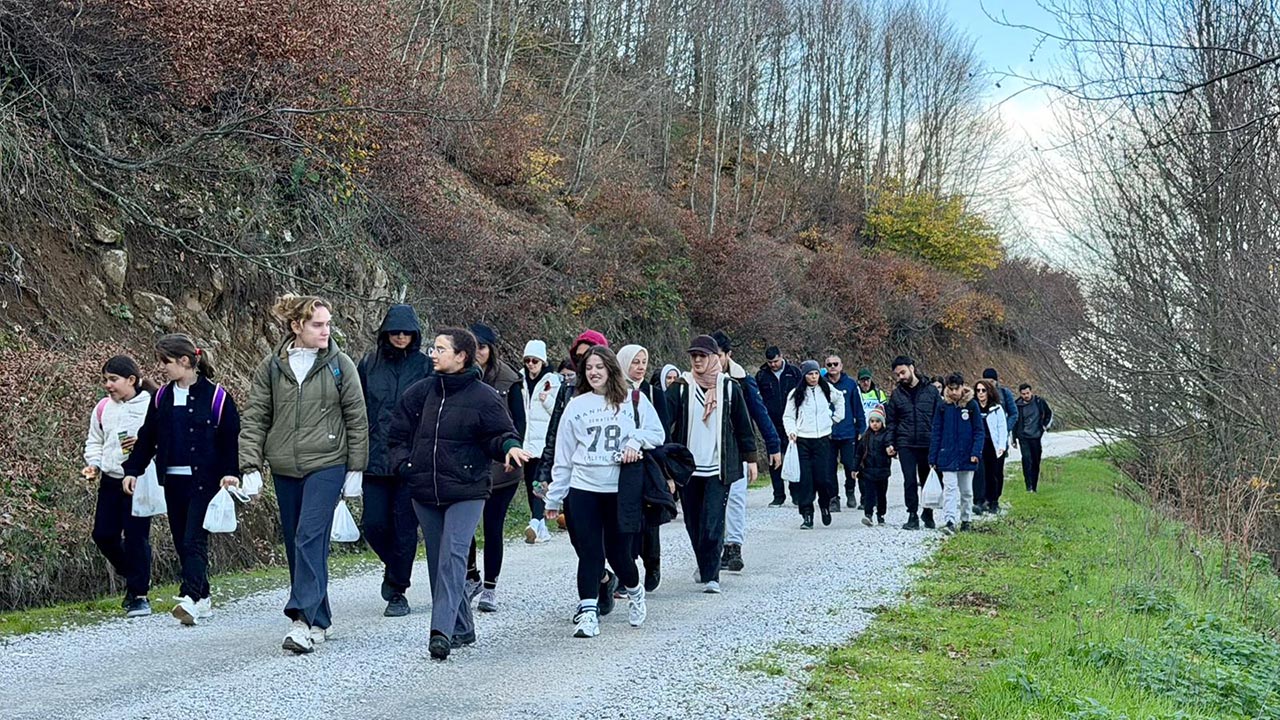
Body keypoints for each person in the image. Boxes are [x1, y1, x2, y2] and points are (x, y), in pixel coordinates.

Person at [388, 327, 531, 660]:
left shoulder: (484, 396)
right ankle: (463, 627)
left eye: (440, 349)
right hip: (425, 489)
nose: (433, 354)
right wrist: (404, 466)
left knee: (453, 556)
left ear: (461, 356)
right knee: (440, 560)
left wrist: (510, 448)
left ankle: (441, 631)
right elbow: (396, 435)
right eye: (433, 349)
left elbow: (502, 433)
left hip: (468, 490)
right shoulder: (418, 393)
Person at [239, 295, 368, 654]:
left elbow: (357, 419)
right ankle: (321, 618)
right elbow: (255, 418)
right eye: (317, 324)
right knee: (298, 545)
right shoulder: (271, 367)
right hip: (284, 465)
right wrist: (250, 465)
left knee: (309, 536)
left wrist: (356, 469)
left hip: (328, 462)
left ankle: (300, 620)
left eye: (328, 324)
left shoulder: (340, 365)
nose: (326, 331)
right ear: (296, 326)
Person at [544, 347, 666, 638]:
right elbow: (563, 456)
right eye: (588, 368)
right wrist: (554, 497)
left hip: (620, 490)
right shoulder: (576, 405)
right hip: (583, 488)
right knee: (589, 553)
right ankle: (588, 612)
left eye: (600, 366)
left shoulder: (632, 400)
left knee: (619, 554)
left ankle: (635, 592)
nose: (594, 372)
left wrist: (635, 441)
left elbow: (657, 434)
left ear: (611, 369)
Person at [123, 335, 241, 626]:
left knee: (193, 539)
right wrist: (133, 469)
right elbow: (148, 437)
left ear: (185, 361)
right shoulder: (161, 397)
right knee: (180, 540)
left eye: (165, 361)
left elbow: (230, 440)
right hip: (172, 482)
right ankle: (203, 597)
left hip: (206, 482)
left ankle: (189, 597)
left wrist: (232, 473)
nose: (161, 368)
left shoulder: (217, 397)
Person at [666, 335, 757, 593]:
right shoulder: (681, 388)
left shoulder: (729, 388)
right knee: (693, 522)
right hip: (689, 469)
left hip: (718, 467)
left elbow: (742, 426)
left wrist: (750, 460)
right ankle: (705, 562)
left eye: (702, 356)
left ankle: (712, 574)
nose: (697, 360)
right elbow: (664, 423)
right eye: (693, 356)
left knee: (712, 521)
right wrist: (666, 462)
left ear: (714, 358)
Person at [356, 303, 428, 618]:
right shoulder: (368, 365)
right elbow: (355, 407)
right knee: (372, 523)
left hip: (411, 458)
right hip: (374, 457)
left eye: (406, 332)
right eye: (395, 331)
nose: (400, 337)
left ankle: (398, 589)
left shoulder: (426, 366)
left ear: (415, 334)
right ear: (386, 333)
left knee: (405, 527)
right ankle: (395, 566)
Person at [84, 355, 159, 618]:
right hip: (111, 479)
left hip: (140, 480)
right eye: (105, 379)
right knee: (103, 534)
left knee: (137, 537)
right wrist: (94, 464)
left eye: (113, 379)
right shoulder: (104, 407)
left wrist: (142, 466)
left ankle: (139, 595)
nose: (108, 385)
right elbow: (95, 439)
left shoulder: (152, 405)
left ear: (132, 380)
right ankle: (135, 574)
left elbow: (161, 443)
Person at [465, 322, 527, 614]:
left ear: (491, 349)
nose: (477, 353)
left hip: (503, 465)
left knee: (493, 526)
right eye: (473, 346)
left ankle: (490, 586)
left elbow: (520, 422)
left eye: (483, 347)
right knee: (463, 527)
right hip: (467, 464)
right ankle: (471, 576)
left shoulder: (509, 379)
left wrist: (513, 450)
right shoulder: (458, 375)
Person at [710, 331, 780, 573]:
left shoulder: (742, 380)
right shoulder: (698, 381)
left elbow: (759, 413)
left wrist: (773, 445)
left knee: (736, 499)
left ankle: (733, 546)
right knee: (713, 502)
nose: (713, 361)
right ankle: (713, 547)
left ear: (728, 355)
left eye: (717, 355)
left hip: (737, 448)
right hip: (708, 450)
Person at [616, 344, 670, 587]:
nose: (640, 367)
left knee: (649, 518)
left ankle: (652, 562)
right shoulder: (611, 393)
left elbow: (662, 433)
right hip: (617, 467)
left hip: (646, 464)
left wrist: (667, 474)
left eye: (643, 362)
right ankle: (624, 568)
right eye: (635, 362)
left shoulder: (651, 393)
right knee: (623, 519)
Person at [782, 360, 845, 529]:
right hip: (803, 439)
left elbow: (840, 400)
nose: (814, 377)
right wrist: (792, 431)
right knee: (806, 481)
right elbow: (788, 416)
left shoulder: (826, 389)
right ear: (804, 376)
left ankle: (824, 506)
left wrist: (835, 419)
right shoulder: (796, 394)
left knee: (823, 478)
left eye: (816, 373)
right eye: (810, 374)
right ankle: (807, 514)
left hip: (823, 439)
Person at [884, 356, 942, 530]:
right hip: (906, 443)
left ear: (912, 368)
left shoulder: (931, 391)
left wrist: (939, 443)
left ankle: (928, 512)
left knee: (927, 479)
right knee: (909, 480)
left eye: (902, 372)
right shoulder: (896, 395)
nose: (900, 377)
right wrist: (890, 442)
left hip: (927, 442)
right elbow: (891, 421)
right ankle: (912, 515)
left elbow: (939, 418)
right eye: (897, 374)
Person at [929, 373, 985, 536]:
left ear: (962, 387)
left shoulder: (972, 405)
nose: (954, 392)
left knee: (966, 491)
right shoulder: (942, 407)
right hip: (947, 455)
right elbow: (936, 432)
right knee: (950, 489)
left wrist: (976, 452)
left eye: (956, 388)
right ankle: (950, 521)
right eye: (950, 389)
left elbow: (979, 431)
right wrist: (933, 456)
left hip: (967, 455)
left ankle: (966, 519)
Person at [519, 339, 561, 545]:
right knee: (530, 483)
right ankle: (540, 527)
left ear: (543, 361)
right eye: (527, 360)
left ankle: (536, 521)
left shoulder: (553, 381)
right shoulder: (520, 380)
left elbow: (558, 413)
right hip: (526, 442)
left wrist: (547, 400)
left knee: (540, 482)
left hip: (544, 442)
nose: (530, 364)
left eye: (535, 360)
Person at [755, 346, 803, 507]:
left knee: (792, 457)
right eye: (770, 362)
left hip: (792, 422)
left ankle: (796, 493)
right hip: (772, 423)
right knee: (774, 459)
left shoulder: (794, 372)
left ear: (781, 357)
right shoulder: (762, 375)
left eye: (775, 361)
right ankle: (778, 495)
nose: (773, 365)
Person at [823, 355, 866, 514]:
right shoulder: (821, 384)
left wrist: (862, 429)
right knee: (829, 468)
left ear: (841, 366)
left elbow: (857, 408)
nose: (832, 367)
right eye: (829, 364)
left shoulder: (851, 384)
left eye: (835, 364)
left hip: (848, 433)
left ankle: (850, 488)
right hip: (827, 434)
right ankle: (834, 498)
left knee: (850, 464)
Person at [974, 379, 1009, 515]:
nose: (981, 393)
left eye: (983, 390)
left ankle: (993, 501)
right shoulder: (974, 407)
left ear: (989, 392)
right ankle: (979, 501)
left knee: (993, 473)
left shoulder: (997, 408)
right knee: (979, 473)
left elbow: (1002, 428)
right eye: (978, 390)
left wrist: (1002, 446)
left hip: (993, 445)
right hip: (979, 444)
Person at [1013, 383, 1054, 492]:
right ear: (1020, 394)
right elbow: (1014, 422)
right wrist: (1013, 439)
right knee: (1027, 460)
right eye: (1023, 394)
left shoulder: (1039, 402)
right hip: (1023, 437)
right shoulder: (1017, 405)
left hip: (1036, 436)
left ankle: (1034, 486)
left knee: (1036, 461)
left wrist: (1045, 425)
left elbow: (1049, 413)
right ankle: (1028, 486)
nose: (1026, 395)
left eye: (1027, 393)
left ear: (1031, 392)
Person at [856, 406, 891, 526]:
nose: (875, 424)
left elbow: (890, 447)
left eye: (877, 421)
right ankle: (868, 515)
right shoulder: (866, 437)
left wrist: (891, 450)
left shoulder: (886, 435)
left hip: (882, 471)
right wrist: (855, 468)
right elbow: (859, 453)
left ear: (882, 422)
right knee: (869, 495)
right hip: (868, 471)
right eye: (872, 421)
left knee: (881, 495)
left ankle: (881, 515)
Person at [982, 368, 1019, 435]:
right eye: (986, 382)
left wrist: (1005, 429)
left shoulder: (1004, 393)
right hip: (984, 434)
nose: (989, 385)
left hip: (1000, 434)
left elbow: (1013, 414)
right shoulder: (979, 394)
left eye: (991, 382)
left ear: (996, 381)